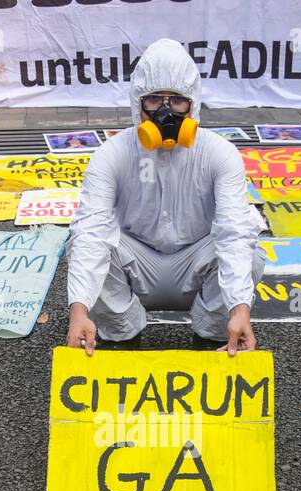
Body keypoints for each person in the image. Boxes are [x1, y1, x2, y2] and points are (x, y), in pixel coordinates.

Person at [65, 39, 267, 356]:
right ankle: (121, 335)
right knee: (82, 243)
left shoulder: (219, 153)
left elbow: (233, 232)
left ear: (193, 103)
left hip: (196, 263)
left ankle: (215, 334)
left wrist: (240, 307)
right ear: (138, 103)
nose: (166, 110)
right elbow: (91, 231)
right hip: (136, 264)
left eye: (177, 100)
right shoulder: (111, 155)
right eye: (155, 98)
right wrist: (79, 310)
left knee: (249, 251)